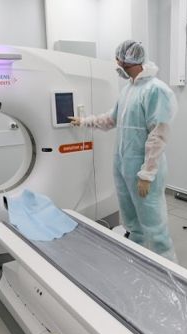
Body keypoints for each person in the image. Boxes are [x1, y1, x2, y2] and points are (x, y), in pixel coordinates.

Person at [70, 40, 178, 262]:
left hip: (144, 167)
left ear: (129, 61)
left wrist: (147, 173)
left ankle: (167, 265)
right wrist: (84, 121)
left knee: (153, 222)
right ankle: (136, 256)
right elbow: (111, 119)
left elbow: (158, 135)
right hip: (123, 165)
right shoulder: (129, 89)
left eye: (119, 60)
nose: (117, 64)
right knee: (131, 219)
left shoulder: (156, 90)